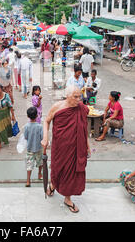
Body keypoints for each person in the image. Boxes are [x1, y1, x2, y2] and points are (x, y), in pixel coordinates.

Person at [41, 85, 90, 213]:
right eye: (75, 97)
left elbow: (84, 129)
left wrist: (87, 146)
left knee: (72, 173)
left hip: (76, 148)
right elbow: (46, 121)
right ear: (67, 96)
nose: (79, 100)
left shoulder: (81, 109)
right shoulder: (58, 107)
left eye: (80, 96)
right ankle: (53, 185)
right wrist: (45, 137)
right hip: (60, 147)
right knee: (58, 168)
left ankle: (67, 199)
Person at [24, 107, 43, 187]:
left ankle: (28, 180)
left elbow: (25, 137)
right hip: (38, 148)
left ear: (28, 116)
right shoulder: (40, 126)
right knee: (40, 162)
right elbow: (42, 137)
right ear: (37, 116)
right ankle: (39, 174)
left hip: (30, 148)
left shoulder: (26, 126)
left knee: (29, 165)